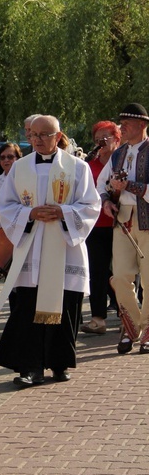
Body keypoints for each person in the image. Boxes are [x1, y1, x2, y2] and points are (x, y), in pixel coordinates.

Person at [0, 115, 100, 388]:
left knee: (65, 308)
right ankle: (31, 367)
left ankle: (61, 363)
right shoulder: (20, 167)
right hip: (31, 248)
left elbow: (91, 205)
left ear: (58, 136)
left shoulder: (78, 167)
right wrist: (30, 213)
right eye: (34, 135)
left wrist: (63, 212)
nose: (38, 139)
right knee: (28, 311)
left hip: (65, 247)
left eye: (45, 134)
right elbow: (6, 206)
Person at [97, 103, 149, 354]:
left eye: (127, 123)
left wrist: (129, 186)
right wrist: (106, 201)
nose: (122, 127)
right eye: (121, 123)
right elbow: (100, 184)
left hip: (147, 220)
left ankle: (146, 329)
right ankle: (133, 326)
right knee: (119, 277)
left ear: (142, 125)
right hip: (123, 221)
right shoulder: (118, 154)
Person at [80, 121, 121, 335]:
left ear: (117, 138)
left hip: (121, 223)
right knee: (97, 271)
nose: (101, 142)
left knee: (124, 272)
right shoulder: (89, 166)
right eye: (97, 139)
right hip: (96, 226)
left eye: (106, 137)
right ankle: (98, 318)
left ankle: (129, 317)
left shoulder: (123, 162)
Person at [0, 143, 23, 225]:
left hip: (23, 230)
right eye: (2, 157)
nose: (6, 160)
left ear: (17, 159)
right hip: (2, 232)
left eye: (10, 157)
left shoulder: (26, 179)